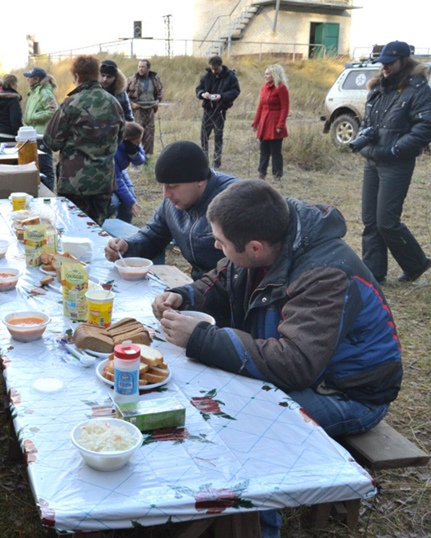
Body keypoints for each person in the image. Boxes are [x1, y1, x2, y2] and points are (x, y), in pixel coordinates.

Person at [154, 179, 402, 537]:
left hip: (350, 392)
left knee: (247, 426)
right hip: (310, 373)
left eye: (220, 242)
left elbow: (296, 363)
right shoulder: (266, 238)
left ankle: (254, 527)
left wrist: (204, 340)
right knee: (206, 397)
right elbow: (224, 278)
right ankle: (208, 508)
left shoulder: (325, 275)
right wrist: (185, 295)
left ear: (255, 247)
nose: (216, 247)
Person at [105, 141, 237, 280]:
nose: (165, 195)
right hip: (202, 287)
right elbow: (153, 236)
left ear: (200, 180)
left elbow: (241, 271)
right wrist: (127, 246)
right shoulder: (173, 203)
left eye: (173, 186)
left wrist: (191, 293)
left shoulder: (233, 203)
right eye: (163, 186)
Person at [356, 40, 431, 283]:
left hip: (397, 163)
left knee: (386, 221)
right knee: (370, 221)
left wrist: (396, 149)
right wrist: (364, 140)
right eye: (382, 63)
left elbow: (425, 126)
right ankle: (374, 273)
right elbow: (368, 122)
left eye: (390, 63)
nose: (385, 67)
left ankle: (416, 263)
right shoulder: (378, 88)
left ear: (404, 61)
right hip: (373, 161)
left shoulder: (417, 89)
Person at [44, 55, 125, 225]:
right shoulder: (114, 103)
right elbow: (119, 138)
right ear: (97, 75)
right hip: (103, 181)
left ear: (77, 77)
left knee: (74, 231)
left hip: (75, 182)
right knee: (97, 230)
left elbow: (51, 141)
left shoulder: (72, 103)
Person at [196, 55, 241, 169]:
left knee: (218, 136)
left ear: (220, 65)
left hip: (220, 110)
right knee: (204, 136)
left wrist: (221, 96)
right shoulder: (206, 76)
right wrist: (203, 94)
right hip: (208, 109)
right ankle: (203, 162)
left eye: (216, 68)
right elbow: (198, 89)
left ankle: (216, 163)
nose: (214, 71)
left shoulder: (230, 76)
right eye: (212, 68)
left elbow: (236, 91)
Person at [22, 66, 58, 191]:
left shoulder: (45, 92)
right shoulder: (34, 91)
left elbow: (53, 111)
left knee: (45, 166)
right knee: (36, 165)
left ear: (36, 79)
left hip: (42, 135)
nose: (28, 80)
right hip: (34, 134)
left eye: (29, 78)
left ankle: (49, 194)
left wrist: (33, 116)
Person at [252, 64, 289, 180]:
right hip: (264, 122)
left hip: (275, 122)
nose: (265, 76)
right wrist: (256, 122)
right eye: (265, 73)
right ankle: (261, 173)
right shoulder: (264, 87)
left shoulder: (281, 88)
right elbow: (261, 106)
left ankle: (277, 175)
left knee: (275, 151)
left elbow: (285, 107)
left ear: (274, 75)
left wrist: (280, 125)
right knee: (264, 150)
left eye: (267, 74)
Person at [107, 121, 145, 224]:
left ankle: (123, 228)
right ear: (126, 140)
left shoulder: (133, 146)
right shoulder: (113, 150)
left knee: (130, 197)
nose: (138, 145)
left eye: (139, 142)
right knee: (119, 202)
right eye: (137, 142)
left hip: (120, 172)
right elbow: (116, 179)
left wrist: (134, 153)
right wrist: (130, 201)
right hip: (109, 176)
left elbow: (140, 160)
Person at [126, 59, 163, 154]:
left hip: (150, 110)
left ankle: (148, 158)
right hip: (138, 110)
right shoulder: (132, 80)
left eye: (143, 67)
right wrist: (131, 104)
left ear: (148, 68)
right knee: (136, 134)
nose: (140, 69)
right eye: (139, 67)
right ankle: (135, 156)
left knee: (149, 135)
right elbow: (123, 95)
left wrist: (157, 101)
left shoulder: (155, 79)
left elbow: (160, 92)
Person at [0, 74, 23, 143]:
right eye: (17, 83)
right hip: (8, 136)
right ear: (12, 84)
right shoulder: (13, 100)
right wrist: (20, 134)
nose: (17, 85)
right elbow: (15, 120)